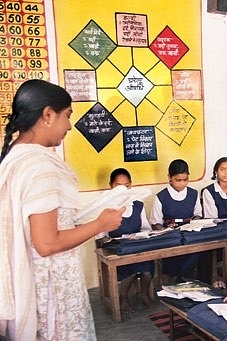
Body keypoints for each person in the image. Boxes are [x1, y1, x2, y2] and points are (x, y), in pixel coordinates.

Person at [0, 79, 125, 340]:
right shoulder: (39, 165)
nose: (69, 126)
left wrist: (85, 217)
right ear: (47, 115)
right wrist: (100, 225)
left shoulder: (16, 156)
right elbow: (46, 243)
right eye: (66, 116)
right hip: (53, 289)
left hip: (33, 281)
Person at [95, 168, 155, 314]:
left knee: (148, 268)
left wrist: (140, 236)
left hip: (135, 247)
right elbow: (100, 236)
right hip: (116, 250)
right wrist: (110, 241)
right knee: (131, 270)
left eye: (126, 185)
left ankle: (144, 294)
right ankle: (123, 299)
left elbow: (145, 228)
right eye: (118, 186)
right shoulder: (105, 207)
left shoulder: (137, 205)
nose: (123, 189)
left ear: (131, 185)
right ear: (111, 186)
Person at [149, 159, 202, 283]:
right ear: (169, 178)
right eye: (178, 180)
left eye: (185, 180)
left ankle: (188, 280)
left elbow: (198, 215)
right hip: (170, 238)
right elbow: (155, 223)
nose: (182, 184)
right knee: (172, 255)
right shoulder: (161, 197)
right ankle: (175, 281)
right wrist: (164, 229)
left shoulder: (193, 194)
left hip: (190, 236)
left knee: (197, 252)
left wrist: (195, 221)